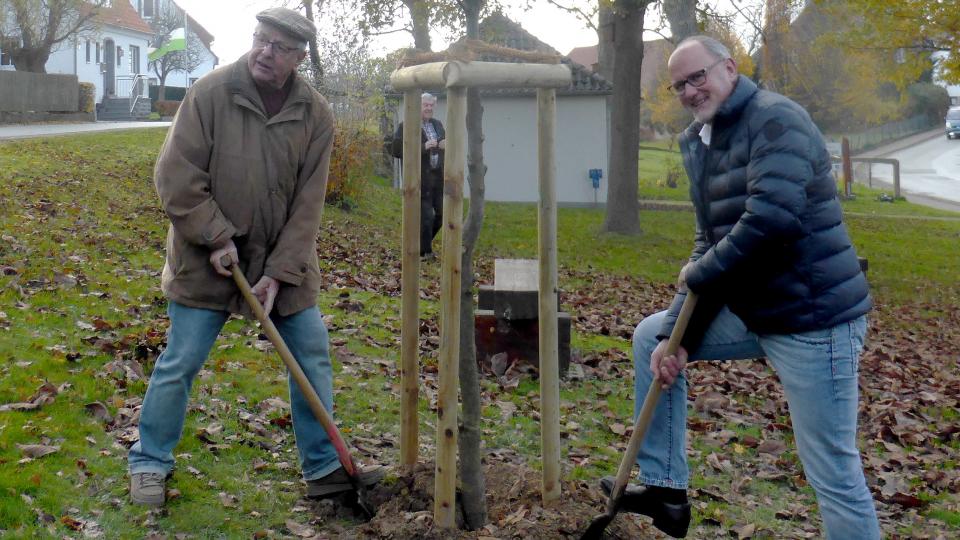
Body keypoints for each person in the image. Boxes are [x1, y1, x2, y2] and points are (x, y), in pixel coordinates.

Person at [599, 35, 879, 539]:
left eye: (698, 76)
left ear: (729, 67)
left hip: (815, 320)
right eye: (679, 83)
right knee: (653, 339)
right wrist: (680, 335)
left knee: (831, 470)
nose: (689, 90)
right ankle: (667, 491)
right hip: (759, 312)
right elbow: (708, 241)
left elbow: (773, 220)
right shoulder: (699, 140)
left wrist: (700, 274)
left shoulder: (777, 119)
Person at [128, 7, 382, 507]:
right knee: (180, 362)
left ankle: (326, 468)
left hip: (281, 261)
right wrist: (216, 237)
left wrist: (280, 273)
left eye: (280, 47)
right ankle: (149, 462)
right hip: (206, 256)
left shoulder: (316, 114)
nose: (266, 52)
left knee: (310, 355)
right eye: (261, 40)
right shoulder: (211, 93)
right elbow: (176, 177)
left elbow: (308, 205)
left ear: (299, 57)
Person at [391, 92, 445, 259]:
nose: (429, 108)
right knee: (427, 216)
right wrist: (423, 146)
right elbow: (397, 151)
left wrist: (445, 144)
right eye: (425, 105)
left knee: (442, 215)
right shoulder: (406, 126)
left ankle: (421, 245)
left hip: (438, 179)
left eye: (431, 105)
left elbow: (445, 140)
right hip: (419, 180)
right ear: (418, 107)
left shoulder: (437, 124)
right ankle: (426, 252)